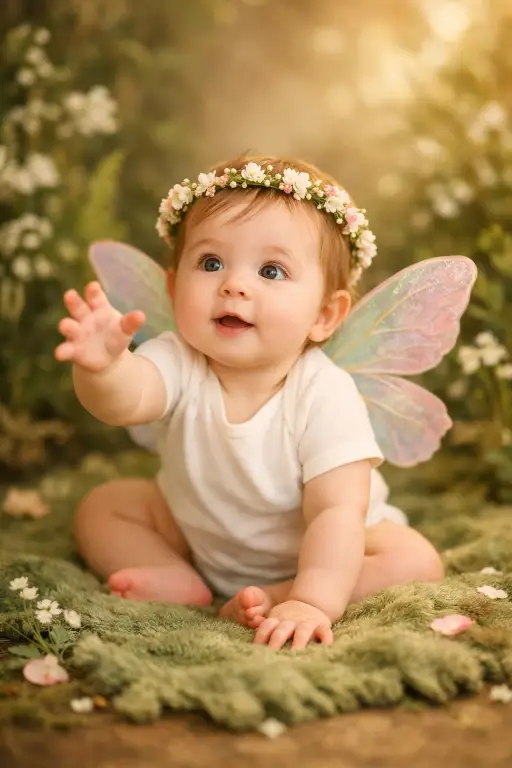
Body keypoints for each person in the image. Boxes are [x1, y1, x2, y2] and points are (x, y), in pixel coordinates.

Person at [55, 156, 444, 650]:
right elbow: (128, 400)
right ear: (173, 289)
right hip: (196, 530)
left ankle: (280, 593)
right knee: (105, 506)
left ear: (324, 315)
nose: (234, 285)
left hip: (321, 551)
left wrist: (313, 599)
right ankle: (171, 573)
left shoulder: (324, 394)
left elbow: (336, 512)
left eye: (271, 270)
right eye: (211, 263)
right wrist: (104, 368)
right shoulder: (178, 358)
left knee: (413, 560)